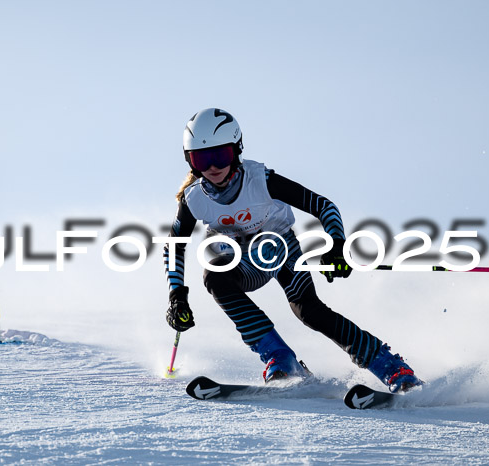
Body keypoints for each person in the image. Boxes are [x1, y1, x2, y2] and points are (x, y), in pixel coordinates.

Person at [163, 107, 422, 393]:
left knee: (309, 311)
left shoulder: (260, 180)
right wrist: (177, 296)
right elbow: (174, 244)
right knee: (215, 274)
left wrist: (336, 245)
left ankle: (391, 367)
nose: (212, 166)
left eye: (220, 155)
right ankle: (280, 358)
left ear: (236, 150)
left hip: (279, 247)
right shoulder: (193, 199)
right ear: (190, 161)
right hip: (237, 259)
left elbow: (324, 206)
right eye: (202, 158)